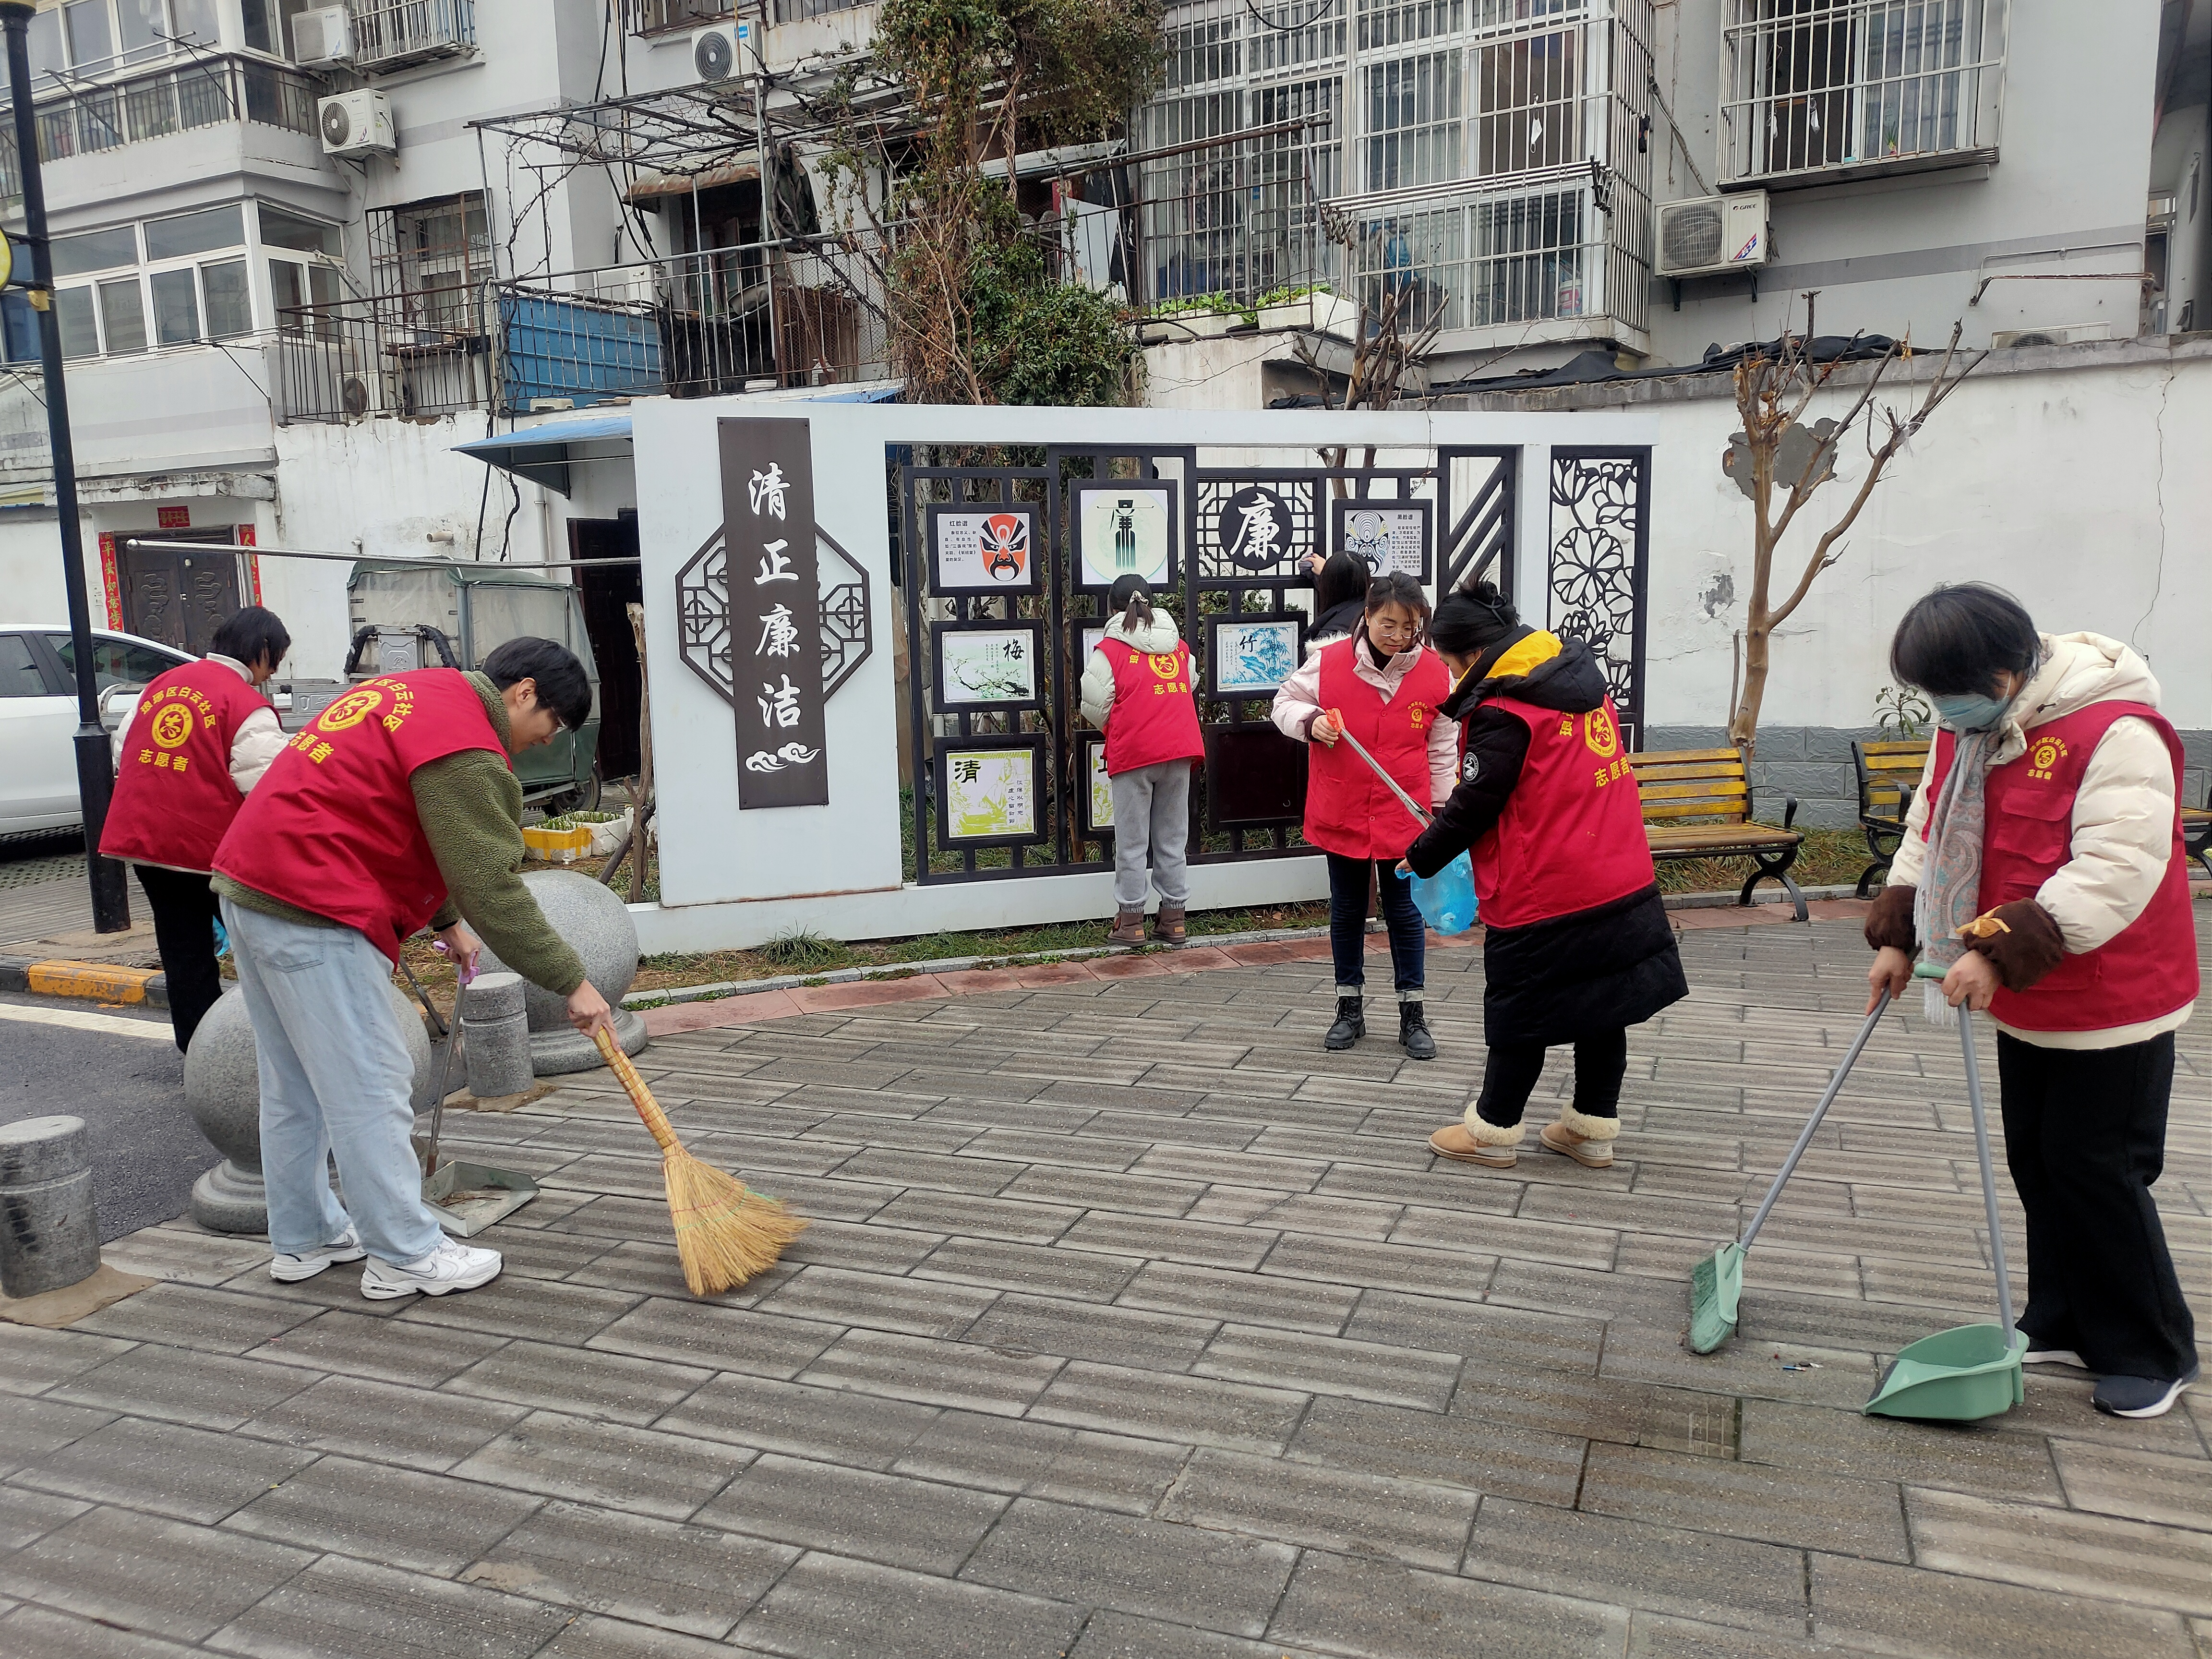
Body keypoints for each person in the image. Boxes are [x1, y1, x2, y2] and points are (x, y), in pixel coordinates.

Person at [1864, 583, 2199, 1419]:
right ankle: (2058, 1314)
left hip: (2108, 994)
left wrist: (1992, 950)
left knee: (2100, 1170)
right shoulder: (1968, 727)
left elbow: (2116, 868)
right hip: (2021, 989)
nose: (1942, 710)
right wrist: (1900, 933)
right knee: (2039, 1161)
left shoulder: (2114, 730)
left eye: (1952, 691)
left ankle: (2148, 1347)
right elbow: (1928, 827)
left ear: (2008, 672)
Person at [211, 637, 614, 1301]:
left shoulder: (420, 694)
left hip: (254, 888)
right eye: (553, 726)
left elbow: (407, 818)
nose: (545, 743)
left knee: (295, 1084)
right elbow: (494, 884)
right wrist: (573, 982)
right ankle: (404, 1252)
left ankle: (306, 1236)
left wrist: (443, 919)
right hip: (316, 902)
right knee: (371, 1082)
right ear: (525, 693)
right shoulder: (469, 746)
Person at [1401, 583, 1686, 1169]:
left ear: (1473, 654)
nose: (1455, 680)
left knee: (1521, 1010)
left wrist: (1422, 854)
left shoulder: (1507, 711)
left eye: (1453, 665)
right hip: (1619, 871)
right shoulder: (1576, 681)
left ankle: (1493, 1132)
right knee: (1607, 1005)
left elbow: (1475, 805)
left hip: (1546, 885)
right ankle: (1590, 1131)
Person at [1273, 571, 1455, 1059]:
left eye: (1409, 627)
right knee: (1349, 909)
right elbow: (1284, 702)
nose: (1398, 636)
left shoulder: (1437, 674)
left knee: (1404, 911)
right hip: (1343, 807)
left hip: (1405, 813)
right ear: (1367, 616)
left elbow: (1442, 750)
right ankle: (1348, 1010)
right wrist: (1311, 724)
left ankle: (1412, 1013)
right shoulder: (1329, 663)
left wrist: (1439, 813)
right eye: (1388, 625)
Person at [99, 606, 292, 1052]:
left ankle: (201, 1053)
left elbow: (123, 752)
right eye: (276, 660)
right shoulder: (245, 705)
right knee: (260, 947)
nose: (272, 672)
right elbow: (268, 789)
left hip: (146, 843)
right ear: (262, 651)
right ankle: (269, 1049)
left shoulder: (160, 686)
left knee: (184, 952)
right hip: (208, 850)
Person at [1080, 575, 1204, 947]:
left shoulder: (1109, 650)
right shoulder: (1179, 647)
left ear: (1111, 607)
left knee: (1133, 842)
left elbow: (1094, 703)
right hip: (1179, 749)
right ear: (1151, 604)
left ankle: (1131, 921)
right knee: (1172, 838)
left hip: (1135, 753)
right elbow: (1191, 682)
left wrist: (1121, 726)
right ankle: (1174, 919)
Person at [1300, 552, 1370, 654]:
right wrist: (1327, 573)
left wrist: (1328, 573)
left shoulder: (1328, 638)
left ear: (1328, 585)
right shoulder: (1373, 616)